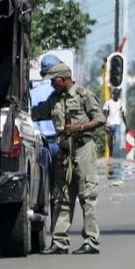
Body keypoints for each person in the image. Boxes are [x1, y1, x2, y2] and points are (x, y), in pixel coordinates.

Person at [31, 62, 106, 255]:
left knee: (86, 196)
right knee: (62, 196)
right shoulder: (54, 99)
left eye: (54, 80)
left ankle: (91, 241)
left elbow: (100, 119)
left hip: (82, 150)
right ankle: (60, 242)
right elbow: (37, 113)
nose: (51, 85)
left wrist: (79, 128)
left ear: (64, 78)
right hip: (64, 153)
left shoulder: (83, 95)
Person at [30, 54, 62, 160]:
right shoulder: (61, 92)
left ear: (42, 73)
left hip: (40, 145)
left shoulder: (31, 93)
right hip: (60, 143)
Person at [102, 88, 126, 181]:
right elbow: (105, 113)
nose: (115, 95)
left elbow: (123, 114)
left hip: (118, 124)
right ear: (112, 94)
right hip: (109, 124)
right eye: (114, 93)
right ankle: (112, 155)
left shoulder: (120, 103)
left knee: (118, 141)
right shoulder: (108, 103)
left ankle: (115, 158)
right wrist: (104, 124)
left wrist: (126, 124)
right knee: (110, 142)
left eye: (117, 94)